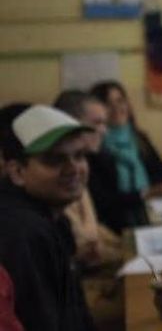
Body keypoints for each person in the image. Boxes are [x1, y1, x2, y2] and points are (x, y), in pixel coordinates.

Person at [0, 104, 96, 331]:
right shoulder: (24, 232)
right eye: (55, 160)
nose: (74, 168)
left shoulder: (52, 219)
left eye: (79, 156)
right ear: (17, 172)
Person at [90, 80, 162, 229]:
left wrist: (161, 187)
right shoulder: (94, 148)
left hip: (150, 214)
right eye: (108, 104)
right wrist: (144, 193)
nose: (116, 108)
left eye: (120, 101)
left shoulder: (138, 138)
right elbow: (103, 201)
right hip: (115, 225)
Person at [53, 90, 124, 265]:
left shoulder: (87, 165)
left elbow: (94, 230)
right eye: (97, 123)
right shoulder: (59, 178)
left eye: (78, 157)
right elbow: (83, 245)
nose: (104, 131)